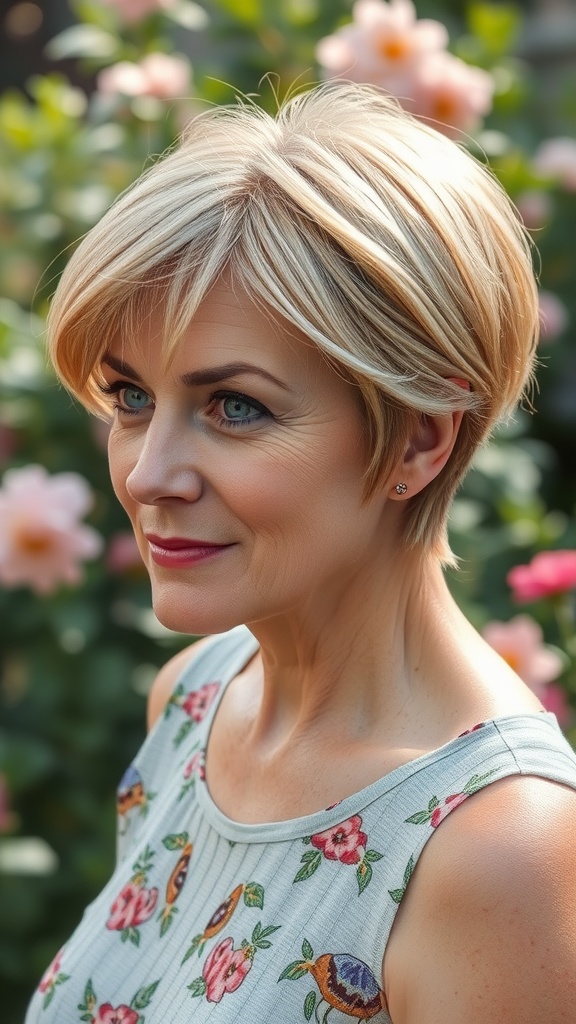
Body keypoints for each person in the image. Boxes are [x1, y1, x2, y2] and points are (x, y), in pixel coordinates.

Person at [27, 82, 576, 1024]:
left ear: (418, 441)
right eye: (130, 397)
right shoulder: (196, 699)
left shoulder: (500, 849)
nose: (151, 473)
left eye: (235, 406)